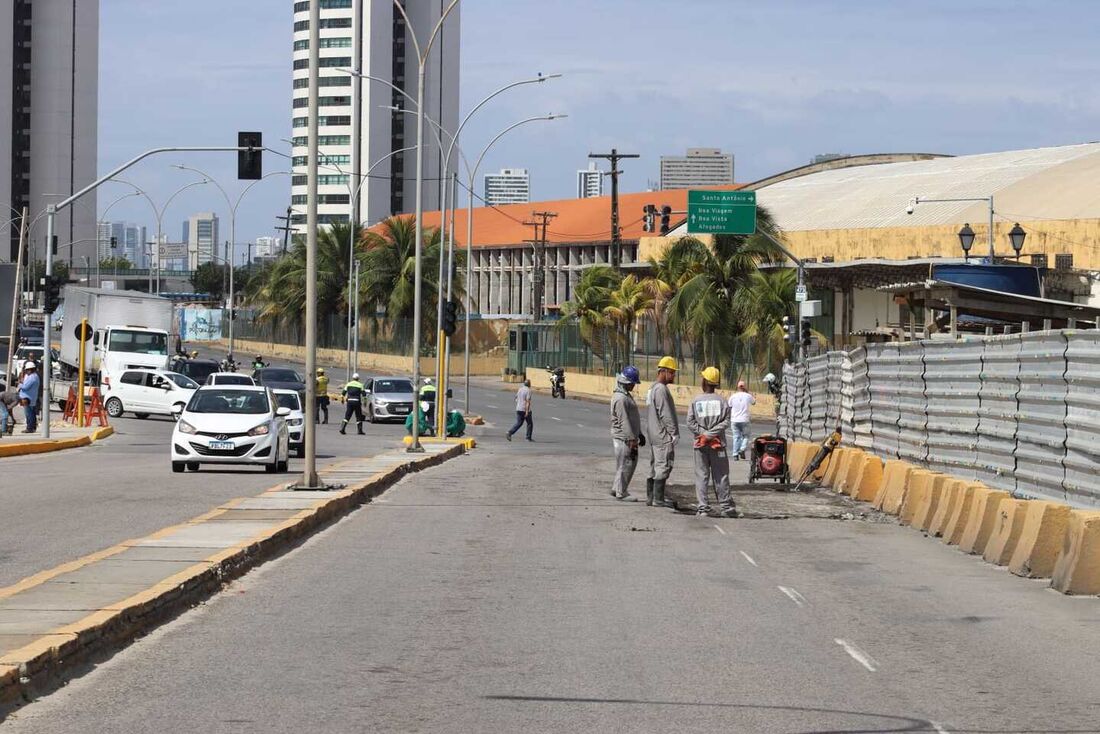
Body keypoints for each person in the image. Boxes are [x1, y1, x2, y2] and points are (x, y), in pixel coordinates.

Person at [688, 367, 738, 518]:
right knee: (721, 475)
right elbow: (726, 422)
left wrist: (704, 435)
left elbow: (690, 422)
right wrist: (711, 435)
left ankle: (703, 508)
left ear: (704, 381)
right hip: (718, 445)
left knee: (701, 476)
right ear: (716, 383)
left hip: (701, 445)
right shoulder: (722, 402)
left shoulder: (695, 401)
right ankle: (726, 508)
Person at [645, 356, 680, 509]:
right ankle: (657, 499)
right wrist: (673, 433)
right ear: (663, 371)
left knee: (655, 466)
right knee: (663, 465)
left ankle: (651, 497)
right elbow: (665, 413)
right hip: (662, 435)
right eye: (671, 372)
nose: (673, 376)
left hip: (654, 434)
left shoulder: (653, 388)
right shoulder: (660, 389)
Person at [609, 365, 643, 501]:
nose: (634, 386)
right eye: (633, 383)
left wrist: (639, 433)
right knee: (627, 464)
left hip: (628, 437)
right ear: (627, 383)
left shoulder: (624, 396)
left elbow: (632, 418)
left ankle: (616, 488)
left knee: (624, 464)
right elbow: (624, 421)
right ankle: (621, 492)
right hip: (623, 438)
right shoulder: (620, 399)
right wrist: (631, 439)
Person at [728, 380, 757, 460]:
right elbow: (754, 402)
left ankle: (735, 454)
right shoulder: (748, 396)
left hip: (734, 419)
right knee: (746, 436)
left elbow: (729, 405)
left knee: (736, 437)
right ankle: (742, 449)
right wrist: (747, 392)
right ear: (745, 387)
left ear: (738, 387)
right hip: (744, 419)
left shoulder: (733, 396)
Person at [18, 362, 40, 433]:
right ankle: (33, 427)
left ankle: (29, 428)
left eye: (27, 370)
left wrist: (20, 384)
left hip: (27, 398)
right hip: (31, 397)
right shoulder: (35, 376)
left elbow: (25, 387)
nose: (26, 371)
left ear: (30, 370)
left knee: (28, 414)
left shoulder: (32, 378)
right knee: (32, 413)